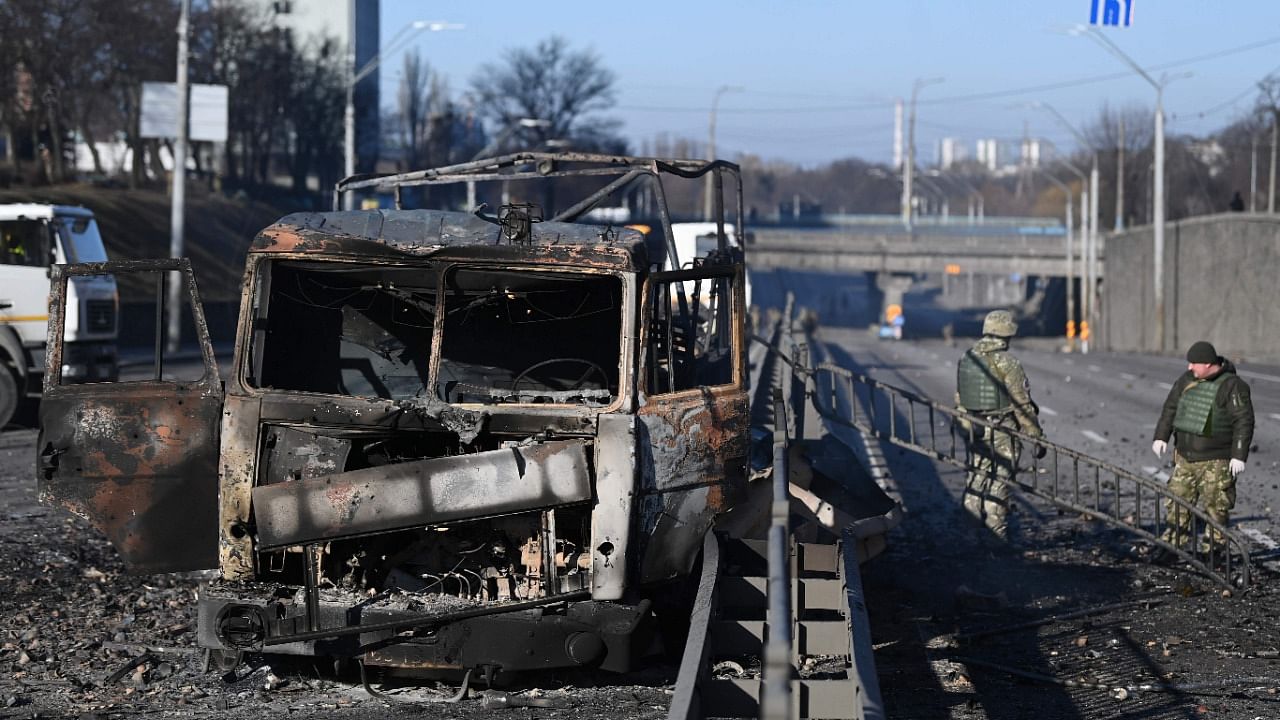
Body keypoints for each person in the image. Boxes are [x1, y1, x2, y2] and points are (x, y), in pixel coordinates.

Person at [1152, 341, 1254, 553]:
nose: (1190, 367)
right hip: (1185, 458)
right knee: (1176, 503)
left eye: (1194, 363)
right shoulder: (1186, 381)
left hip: (1216, 460)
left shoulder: (1232, 386)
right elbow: (1170, 409)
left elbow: (1243, 421)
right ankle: (1173, 546)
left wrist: (1238, 455)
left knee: (1216, 507)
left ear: (1208, 364)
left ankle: (1214, 552)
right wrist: (1161, 436)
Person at [954, 310, 1046, 538]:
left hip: (973, 428)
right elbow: (1021, 405)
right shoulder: (1009, 363)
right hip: (1002, 429)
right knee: (999, 481)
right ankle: (996, 538)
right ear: (1008, 333)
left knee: (976, 478)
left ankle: (969, 537)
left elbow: (960, 397)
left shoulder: (968, 357)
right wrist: (1036, 436)